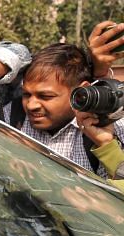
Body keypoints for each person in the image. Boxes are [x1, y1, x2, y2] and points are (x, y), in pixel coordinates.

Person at [12, 43, 124, 176]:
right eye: (26, 94)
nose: (31, 105)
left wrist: (106, 145)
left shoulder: (113, 129)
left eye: (46, 96)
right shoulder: (11, 116)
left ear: (82, 91)